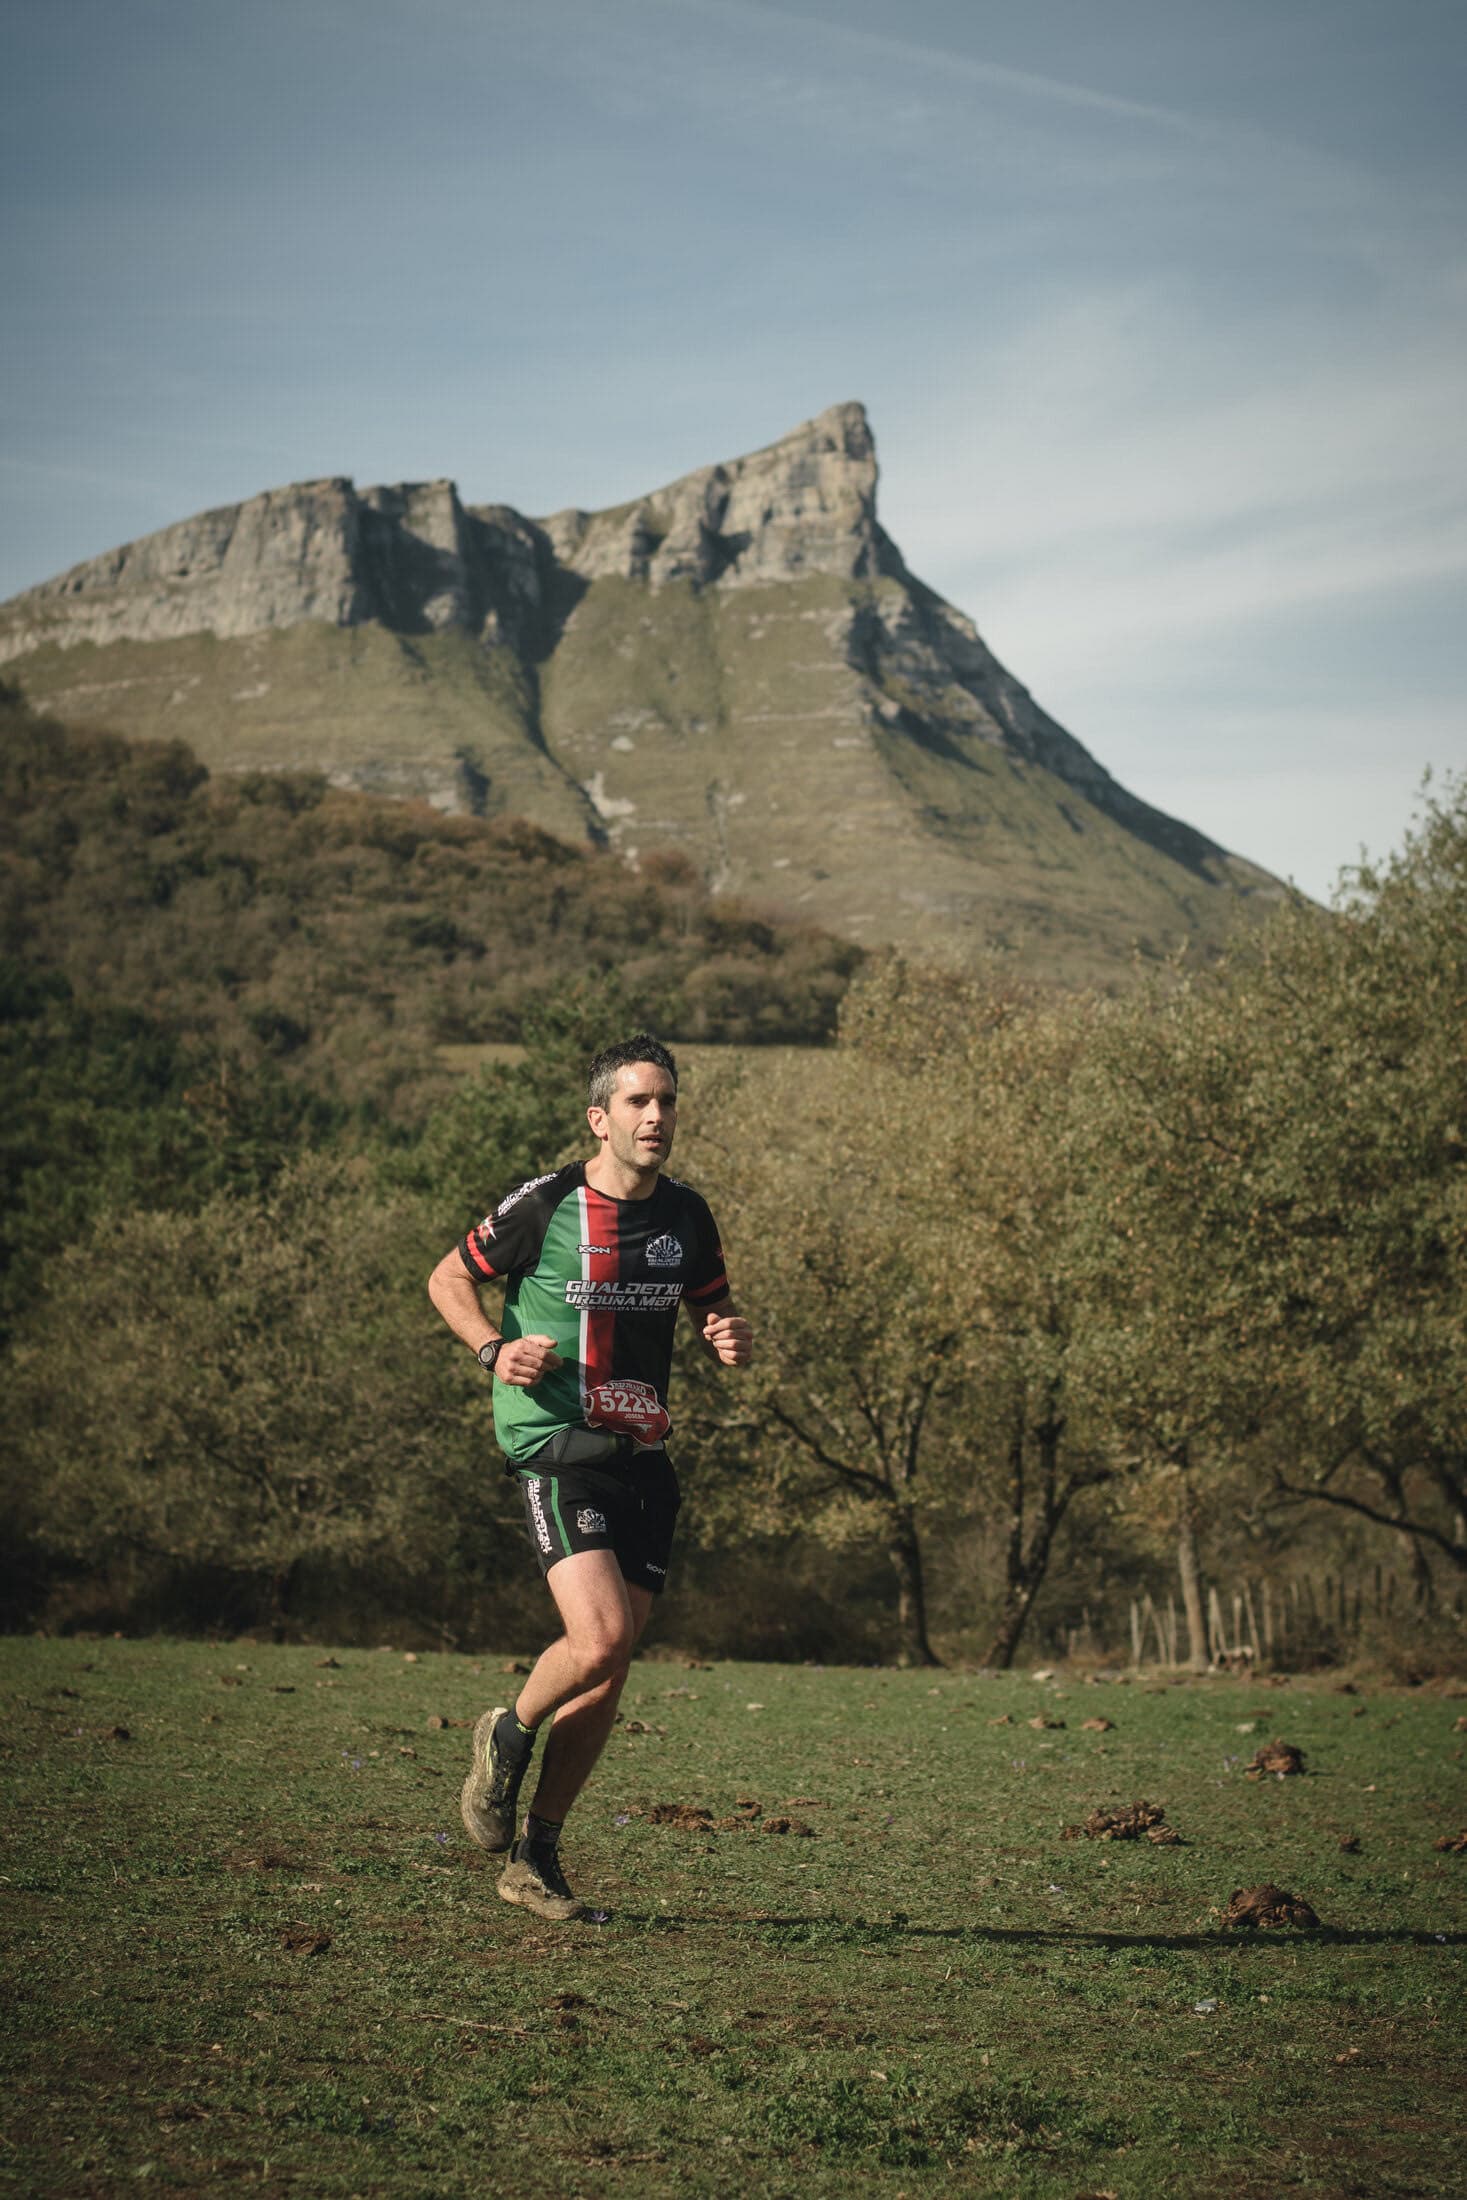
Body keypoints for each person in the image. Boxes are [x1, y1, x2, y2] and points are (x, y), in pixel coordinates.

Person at [426, 1034, 753, 1922]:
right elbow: (448, 1277)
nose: (657, 1118)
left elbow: (710, 1300)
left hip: (643, 1458)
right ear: (599, 1117)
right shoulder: (546, 1205)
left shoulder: (688, 1215)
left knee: (608, 1675)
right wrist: (493, 1348)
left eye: (668, 1102)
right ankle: (508, 1729)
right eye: (639, 1102)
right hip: (556, 1445)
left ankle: (535, 1855)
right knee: (599, 1639)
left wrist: (726, 1332)